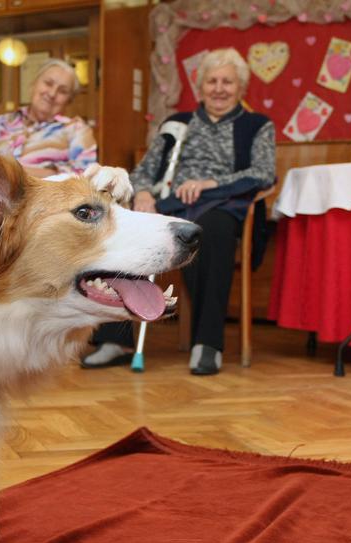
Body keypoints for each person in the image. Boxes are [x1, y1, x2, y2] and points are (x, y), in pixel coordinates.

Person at [83, 47, 276, 375]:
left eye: (227, 82)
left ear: (240, 87)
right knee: (127, 232)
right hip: (170, 204)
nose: (218, 88)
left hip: (220, 204)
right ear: (200, 87)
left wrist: (209, 183)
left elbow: (263, 173)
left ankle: (208, 343)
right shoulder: (177, 124)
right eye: (211, 81)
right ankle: (114, 340)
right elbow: (146, 169)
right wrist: (142, 191)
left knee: (213, 228)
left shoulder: (257, 125)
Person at [0, 59, 96, 177]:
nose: (52, 93)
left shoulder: (76, 130)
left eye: (63, 91)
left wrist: (14, 174)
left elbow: (85, 176)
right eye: (48, 83)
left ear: (69, 101)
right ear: (33, 84)